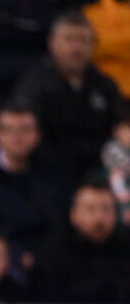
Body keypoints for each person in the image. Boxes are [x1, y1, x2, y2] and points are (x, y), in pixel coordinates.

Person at [0, 101, 69, 274]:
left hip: (41, 258)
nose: (17, 137)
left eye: (25, 130)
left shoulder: (51, 172)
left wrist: (37, 255)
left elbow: (56, 224)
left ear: (37, 135)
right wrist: (12, 254)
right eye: (9, 130)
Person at [14, 9, 123, 182]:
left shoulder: (105, 85)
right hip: (49, 174)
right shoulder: (35, 84)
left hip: (99, 172)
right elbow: (29, 133)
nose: (76, 48)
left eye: (83, 40)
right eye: (69, 39)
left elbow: (121, 125)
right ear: (52, 43)